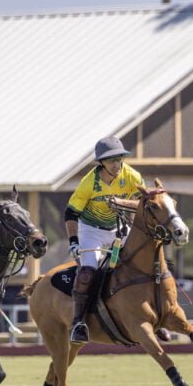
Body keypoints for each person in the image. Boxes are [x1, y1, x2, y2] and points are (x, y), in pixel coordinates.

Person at [64, 136, 144, 344]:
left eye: (119, 160)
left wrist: (121, 203)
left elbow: (144, 205)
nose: (117, 165)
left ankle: (152, 316)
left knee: (141, 265)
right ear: (101, 163)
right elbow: (71, 213)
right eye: (111, 161)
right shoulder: (89, 182)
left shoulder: (132, 176)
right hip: (91, 230)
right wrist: (74, 241)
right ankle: (79, 323)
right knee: (88, 273)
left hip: (120, 227)